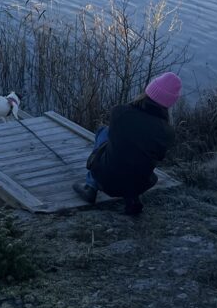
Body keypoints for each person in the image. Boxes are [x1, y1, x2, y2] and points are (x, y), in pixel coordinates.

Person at [73, 71, 181, 215]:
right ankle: (132, 198)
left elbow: (115, 136)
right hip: (140, 185)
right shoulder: (167, 132)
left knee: (104, 131)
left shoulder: (119, 112)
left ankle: (90, 187)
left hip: (106, 180)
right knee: (141, 158)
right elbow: (159, 157)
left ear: (148, 91)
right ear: (170, 103)